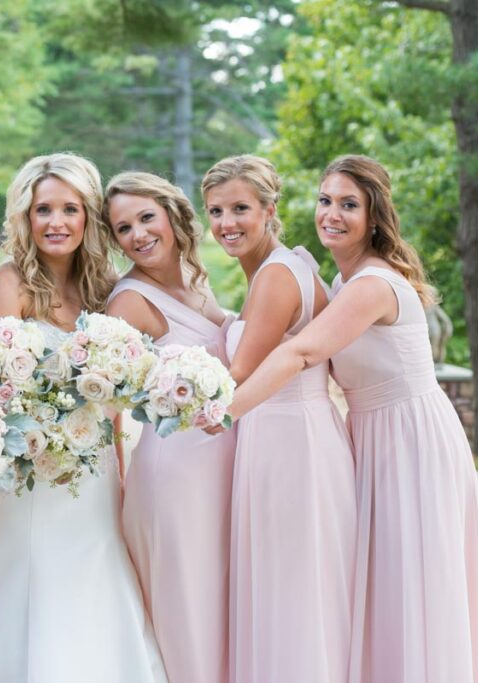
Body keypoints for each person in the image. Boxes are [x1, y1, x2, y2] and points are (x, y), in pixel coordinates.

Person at [227, 155, 478, 683]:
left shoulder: (371, 284)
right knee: (382, 589)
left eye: (348, 204)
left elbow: (304, 354)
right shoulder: (340, 275)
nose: (332, 213)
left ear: (374, 215)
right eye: (325, 200)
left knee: (412, 585)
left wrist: (224, 412)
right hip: (374, 434)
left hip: (409, 438)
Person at [0, 153, 166, 683]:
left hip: (96, 472)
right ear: (25, 217)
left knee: (99, 579)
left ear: (88, 217)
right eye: (43, 210)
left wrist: (121, 468)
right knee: (37, 583)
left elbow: (111, 400)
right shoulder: (8, 284)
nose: (56, 222)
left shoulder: (106, 288)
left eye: (70, 209)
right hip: (29, 477)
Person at [203, 155, 356, 683]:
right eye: (216, 211)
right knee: (292, 582)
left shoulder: (275, 277)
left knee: (290, 584)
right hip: (291, 435)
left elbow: (237, 376)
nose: (227, 223)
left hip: (288, 443)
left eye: (241, 208)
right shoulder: (289, 266)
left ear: (270, 209)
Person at [104, 170, 236, 682]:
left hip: (221, 469)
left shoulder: (198, 282)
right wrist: (116, 478)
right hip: (174, 477)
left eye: (145, 218)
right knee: (187, 607)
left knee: (220, 602)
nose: (137, 234)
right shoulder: (129, 301)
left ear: (174, 217)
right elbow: (110, 405)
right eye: (122, 228)